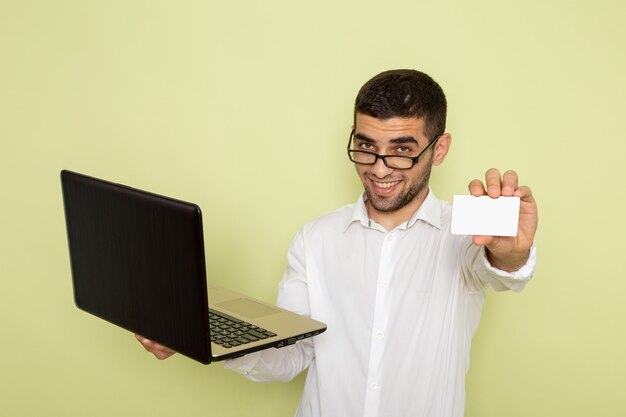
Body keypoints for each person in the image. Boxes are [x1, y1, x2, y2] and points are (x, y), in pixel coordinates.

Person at [137, 69, 538, 417]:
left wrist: (510, 252)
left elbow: (502, 266)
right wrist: (196, 335)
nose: (379, 169)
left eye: (401, 151)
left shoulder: (466, 234)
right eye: (365, 147)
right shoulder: (316, 238)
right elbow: (289, 355)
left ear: (440, 148)